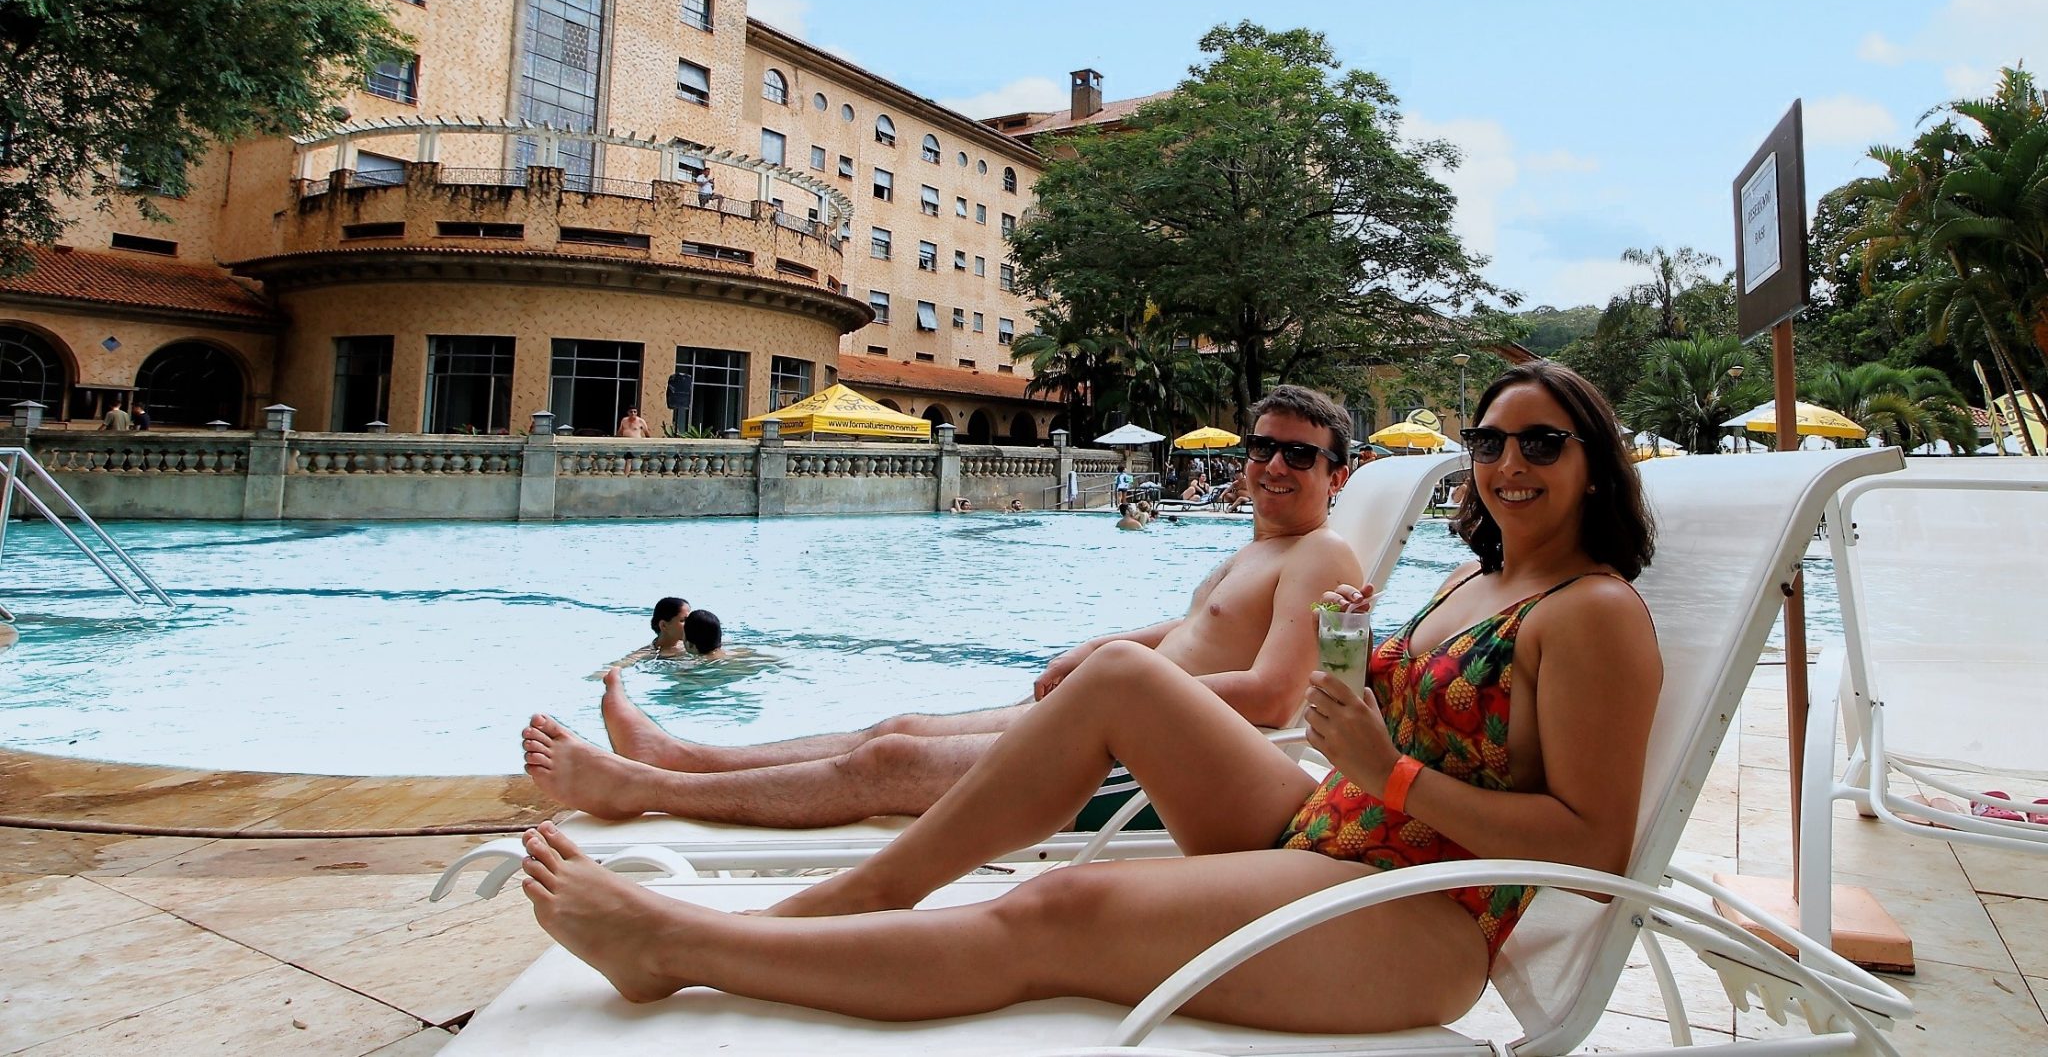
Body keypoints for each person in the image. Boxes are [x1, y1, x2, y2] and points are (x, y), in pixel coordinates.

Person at [517, 361, 1661, 1031]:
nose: (1507, 463)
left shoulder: (1590, 611)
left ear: (1590, 462)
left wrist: (1390, 771)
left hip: (1422, 909)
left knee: (1062, 909)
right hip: (1336, 826)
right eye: (1490, 439)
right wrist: (1361, 746)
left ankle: (684, 948)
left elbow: (1594, 842)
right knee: (1116, 674)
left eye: (1541, 443)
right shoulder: (1479, 574)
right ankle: (865, 889)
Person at [521, 385, 1363, 829]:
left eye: (1300, 453)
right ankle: (682, 757)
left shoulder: (1321, 553)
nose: (1273, 466)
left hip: (1138, 757)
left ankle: (645, 789)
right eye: (1262, 446)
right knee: (896, 729)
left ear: (1339, 475)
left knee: (885, 768)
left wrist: (1120, 685)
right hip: (1110, 717)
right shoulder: (1264, 551)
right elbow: (1191, 634)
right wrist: (1100, 648)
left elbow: (1273, 698)